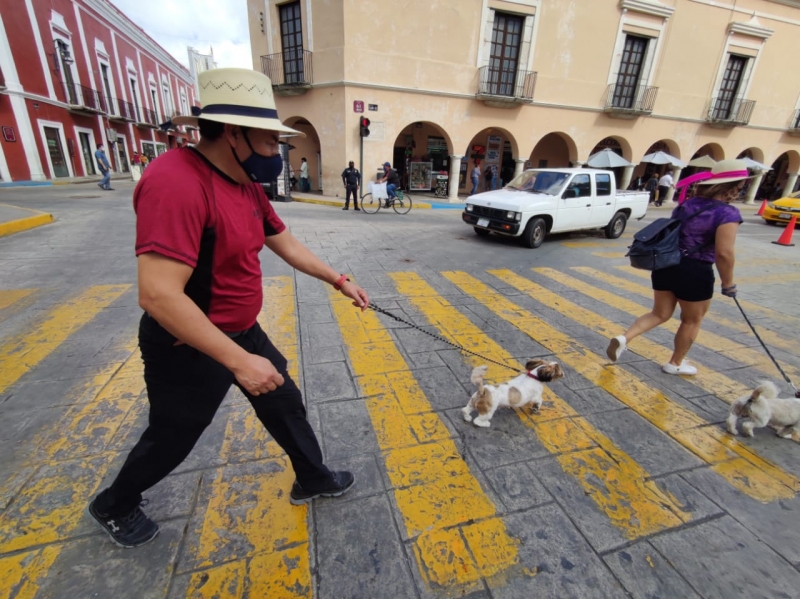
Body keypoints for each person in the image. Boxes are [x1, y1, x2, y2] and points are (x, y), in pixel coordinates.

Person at [87, 67, 370, 549]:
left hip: (241, 329)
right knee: (174, 436)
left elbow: (284, 242)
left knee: (283, 403)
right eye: (270, 140)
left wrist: (339, 281)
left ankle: (312, 477)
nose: (277, 152)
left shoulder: (245, 182)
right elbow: (157, 294)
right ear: (233, 132)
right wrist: (239, 363)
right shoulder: (175, 182)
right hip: (188, 343)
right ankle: (114, 504)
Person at [606, 159, 749, 376]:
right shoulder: (728, 213)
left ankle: (625, 338)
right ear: (734, 186)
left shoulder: (687, 204)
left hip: (667, 263)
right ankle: (675, 363)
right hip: (695, 270)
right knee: (692, 320)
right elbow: (724, 253)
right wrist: (728, 283)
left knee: (659, 313)